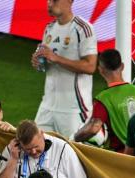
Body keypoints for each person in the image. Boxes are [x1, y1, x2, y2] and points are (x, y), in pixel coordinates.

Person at [31, 0, 97, 139]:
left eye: (54, 0)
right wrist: (39, 62)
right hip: (47, 105)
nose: (49, 3)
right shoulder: (49, 28)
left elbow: (90, 66)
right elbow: (47, 64)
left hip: (73, 109)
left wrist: (56, 58)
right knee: (35, 148)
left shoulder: (83, 28)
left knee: (71, 153)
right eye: (48, 0)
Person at [73, 48, 135, 152]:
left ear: (100, 70)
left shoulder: (103, 98)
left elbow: (94, 128)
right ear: (122, 66)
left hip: (123, 156)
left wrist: (74, 138)